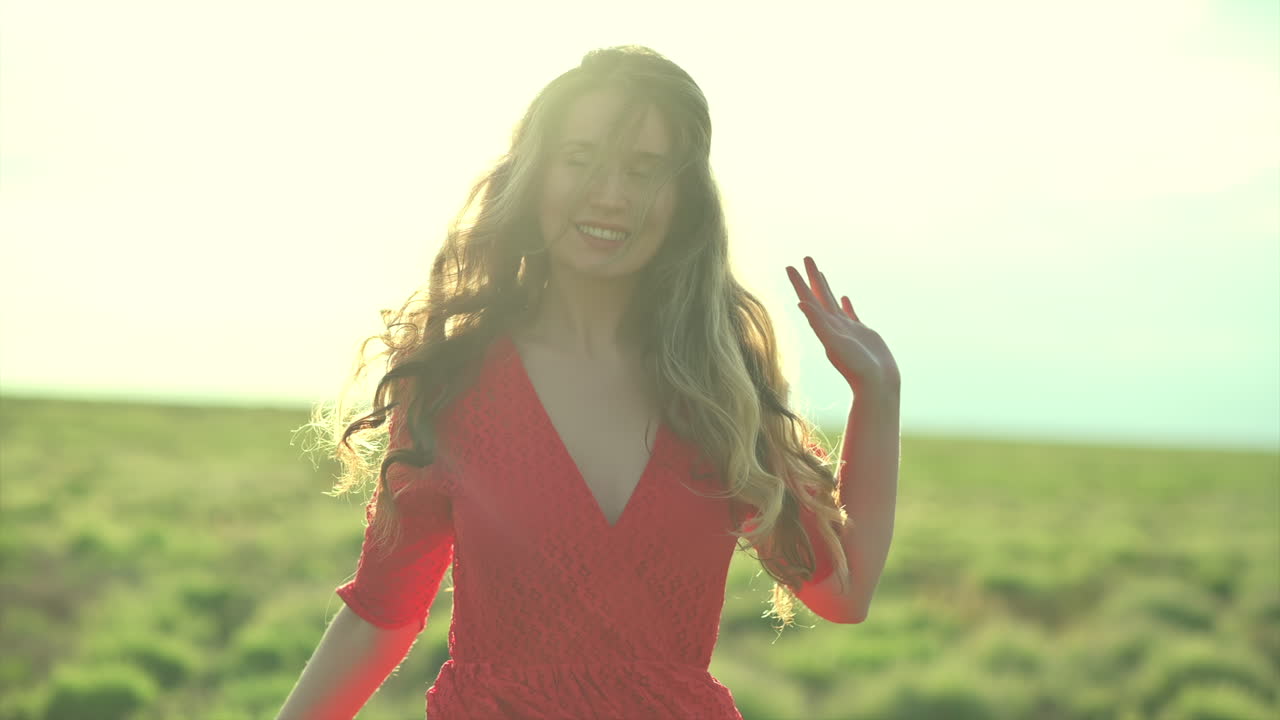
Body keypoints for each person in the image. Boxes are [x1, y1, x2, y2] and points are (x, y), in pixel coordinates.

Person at [278, 44, 901, 720]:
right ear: (535, 175)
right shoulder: (454, 381)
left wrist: (879, 396)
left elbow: (845, 594)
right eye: (581, 161)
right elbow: (382, 616)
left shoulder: (718, 391)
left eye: (643, 170)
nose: (611, 195)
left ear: (683, 198)